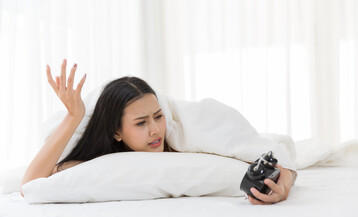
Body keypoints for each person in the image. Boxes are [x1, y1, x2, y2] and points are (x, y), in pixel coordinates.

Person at [21, 59, 296, 205]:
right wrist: (73, 116)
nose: (155, 131)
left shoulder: (182, 130)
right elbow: (30, 184)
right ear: (116, 132)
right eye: (140, 123)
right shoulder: (99, 159)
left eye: (158, 117)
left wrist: (284, 183)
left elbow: (272, 160)